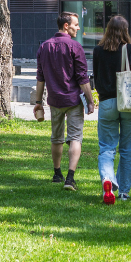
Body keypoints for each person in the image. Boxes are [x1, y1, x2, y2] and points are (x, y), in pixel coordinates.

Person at [34, 12, 95, 192]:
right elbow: (82, 78)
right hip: (73, 99)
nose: (78, 27)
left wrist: (38, 101)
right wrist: (90, 101)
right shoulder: (75, 47)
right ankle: (70, 178)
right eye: (76, 24)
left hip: (54, 100)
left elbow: (40, 78)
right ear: (66, 26)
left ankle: (56, 173)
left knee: (56, 137)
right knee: (75, 137)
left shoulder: (44, 47)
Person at [93, 15, 131, 204]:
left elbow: (96, 77)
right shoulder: (129, 49)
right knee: (127, 149)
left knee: (107, 148)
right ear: (125, 31)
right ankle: (123, 192)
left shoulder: (98, 50)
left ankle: (107, 179)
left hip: (107, 102)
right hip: (128, 103)